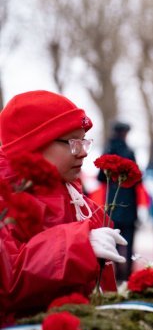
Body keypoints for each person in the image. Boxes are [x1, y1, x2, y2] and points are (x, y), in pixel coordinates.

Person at [0, 90, 125, 317]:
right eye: (72, 143)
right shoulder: (5, 201)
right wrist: (78, 245)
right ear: (32, 145)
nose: (83, 153)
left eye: (84, 141)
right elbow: (8, 281)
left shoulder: (75, 199)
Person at [98, 120, 138, 282]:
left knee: (110, 239)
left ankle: (111, 273)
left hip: (112, 204)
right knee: (127, 241)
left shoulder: (108, 150)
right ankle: (126, 274)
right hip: (127, 203)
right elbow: (137, 178)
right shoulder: (128, 152)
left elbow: (100, 178)